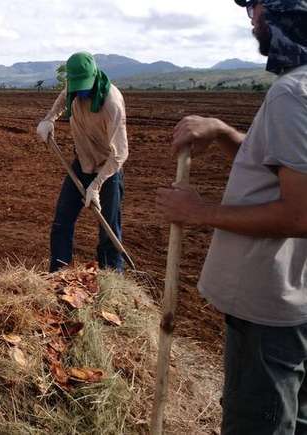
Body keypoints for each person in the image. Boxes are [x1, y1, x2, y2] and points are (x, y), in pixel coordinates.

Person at [156, 1, 307, 432]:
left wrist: (199, 212)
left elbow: (299, 213)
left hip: (270, 307)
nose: (253, 20)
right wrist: (224, 132)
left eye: (256, 7)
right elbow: (285, 171)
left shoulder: (290, 94)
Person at [36, 52, 129, 272]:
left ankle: (112, 282)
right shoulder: (74, 87)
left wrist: (96, 186)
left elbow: (120, 154)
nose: (80, 92)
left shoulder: (111, 103)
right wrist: (49, 119)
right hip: (81, 164)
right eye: (76, 86)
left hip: (107, 170)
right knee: (61, 224)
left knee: (109, 232)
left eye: (84, 86)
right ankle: (59, 276)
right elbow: (63, 98)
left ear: (94, 75)